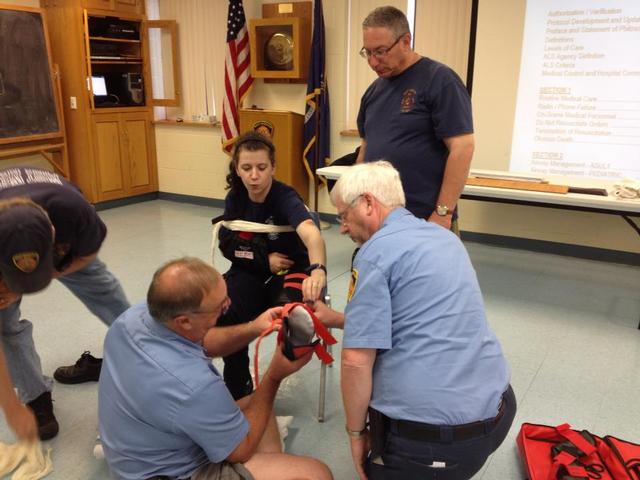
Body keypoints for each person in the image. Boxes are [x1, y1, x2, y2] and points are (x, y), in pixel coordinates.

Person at [313, 161, 515, 480]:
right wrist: (335, 319)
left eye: (342, 216)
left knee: (374, 465)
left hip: (438, 445)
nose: (342, 227)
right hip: (498, 412)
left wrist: (355, 434)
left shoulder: (374, 253)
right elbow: (415, 319)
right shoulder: (442, 237)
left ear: (367, 202)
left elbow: (354, 362)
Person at [98, 257, 333, 480]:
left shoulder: (132, 319)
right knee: (315, 473)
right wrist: (274, 376)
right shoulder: (192, 385)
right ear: (185, 321)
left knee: (259, 406)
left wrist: (253, 327)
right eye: (220, 307)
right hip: (171, 473)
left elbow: (204, 341)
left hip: (143, 447)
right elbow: (239, 452)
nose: (228, 306)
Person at [0, 167, 129, 441]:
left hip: (61, 229)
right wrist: (12, 409)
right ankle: (36, 398)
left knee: (108, 296)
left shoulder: (74, 212)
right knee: (5, 326)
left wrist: (52, 271)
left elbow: (89, 252)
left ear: (54, 233)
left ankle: (145, 359)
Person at [214, 131, 327, 400]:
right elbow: (228, 244)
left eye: (262, 168)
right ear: (237, 170)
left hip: (291, 268)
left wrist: (319, 268)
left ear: (273, 168)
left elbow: (312, 235)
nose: (254, 176)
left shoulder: (284, 197)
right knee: (226, 315)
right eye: (246, 168)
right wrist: (265, 259)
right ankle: (239, 391)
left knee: (288, 314)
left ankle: (272, 386)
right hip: (253, 269)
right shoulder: (236, 198)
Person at [356, 6, 475, 231]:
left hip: (424, 219)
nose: (373, 61)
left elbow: (463, 148)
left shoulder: (440, 81)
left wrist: (443, 213)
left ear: (405, 41)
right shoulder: (373, 91)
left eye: (380, 51)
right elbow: (366, 147)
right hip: (379, 219)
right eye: (368, 52)